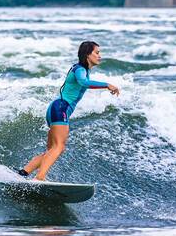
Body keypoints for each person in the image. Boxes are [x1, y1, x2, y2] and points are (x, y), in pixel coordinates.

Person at [17, 41, 120, 181]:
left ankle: (23, 172)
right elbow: (84, 82)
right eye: (97, 53)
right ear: (87, 55)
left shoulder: (81, 69)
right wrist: (107, 85)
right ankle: (39, 177)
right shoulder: (80, 69)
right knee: (59, 147)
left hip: (55, 108)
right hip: (61, 108)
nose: (99, 56)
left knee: (53, 150)